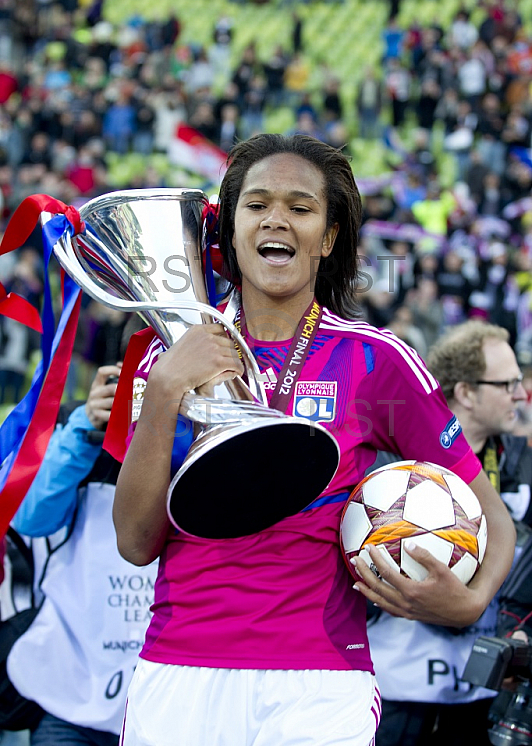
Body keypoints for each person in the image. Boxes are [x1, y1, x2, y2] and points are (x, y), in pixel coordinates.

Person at [113, 134, 515, 746]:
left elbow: (494, 516)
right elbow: (136, 542)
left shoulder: (375, 361)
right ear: (230, 228)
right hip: (179, 668)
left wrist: (469, 602)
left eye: (301, 208)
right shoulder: (170, 359)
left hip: (320, 681)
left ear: (327, 238)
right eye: (257, 204)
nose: (277, 218)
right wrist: (168, 387)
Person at [369, 320, 532, 746]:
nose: (521, 394)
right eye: (507, 383)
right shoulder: (390, 467)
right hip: (394, 695)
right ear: (466, 393)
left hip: (484, 696)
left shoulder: (523, 465)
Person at [6, 364, 159, 746]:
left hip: (160, 694)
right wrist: (85, 426)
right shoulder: (83, 432)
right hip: (70, 691)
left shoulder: (200, 434)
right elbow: (32, 517)